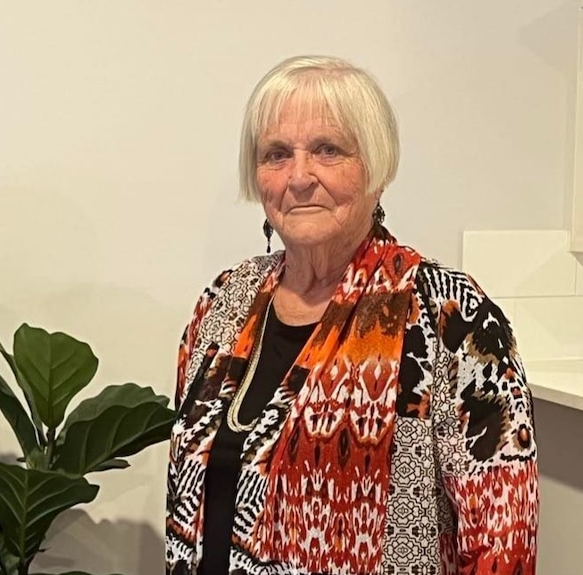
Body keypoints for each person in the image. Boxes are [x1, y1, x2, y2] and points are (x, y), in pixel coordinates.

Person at [166, 55, 538, 575]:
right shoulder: (225, 300)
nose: (299, 177)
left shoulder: (446, 314)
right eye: (276, 154)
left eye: (327, 149)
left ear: (377, 171)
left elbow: (503, 543)